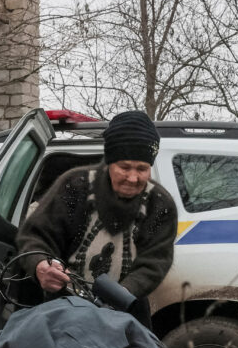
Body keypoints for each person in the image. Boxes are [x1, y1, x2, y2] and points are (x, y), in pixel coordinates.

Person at [15, 110, 178, 327]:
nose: (133, 177)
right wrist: (40, 265)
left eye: (142, 169)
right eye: (125, 167)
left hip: (127, 314)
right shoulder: (74, 187)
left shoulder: (159, 204)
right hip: (63, 309)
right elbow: (35, 237)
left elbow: (155, 261)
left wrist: (122, 294)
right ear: (109, 161)